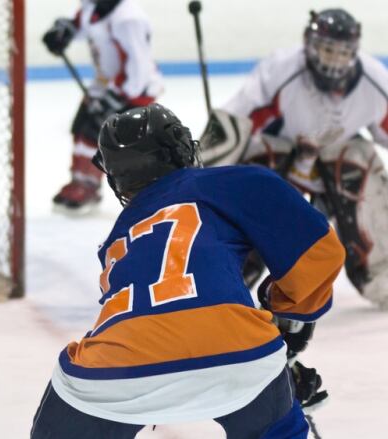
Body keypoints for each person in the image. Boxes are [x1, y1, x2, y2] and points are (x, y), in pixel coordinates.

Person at [31, 104, 345, 438]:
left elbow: (164, 320)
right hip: (243, 359)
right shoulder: (231, 181)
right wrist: (285, 325)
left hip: (114, 371)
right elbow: (318, 255)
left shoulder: (119, 236)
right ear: (181, 148)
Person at [199, 9, 388, 309]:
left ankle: (381, 270)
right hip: (284, 163)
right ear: (309, 43)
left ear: (354, 52)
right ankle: (232, 273)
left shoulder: (372, 79)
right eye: (327, 49)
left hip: (335, 166)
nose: (333, 60)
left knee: (359, 157)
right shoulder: (282, 69)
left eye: (342, 53)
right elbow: (235, 124)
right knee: (255, 167)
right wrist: (201, 171)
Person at [41, 0, 163, 215]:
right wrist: (63, 31)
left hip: (135, 89)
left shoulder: (128, 18)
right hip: (105, 85)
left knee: (97, 132)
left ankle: (89, 184)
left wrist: (117, 97)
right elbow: (80, 23)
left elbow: (139, 66)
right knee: (81, 127)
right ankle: (79, 180)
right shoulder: (93, 6)